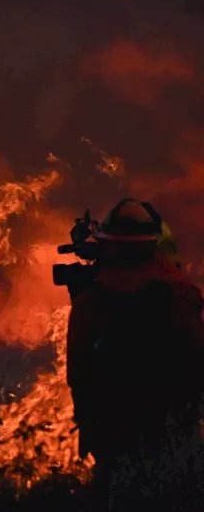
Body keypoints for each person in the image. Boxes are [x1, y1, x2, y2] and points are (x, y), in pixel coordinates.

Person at [65, 198, 204, 507]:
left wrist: (89, 431)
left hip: (115, 440)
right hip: (174, 437)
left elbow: (78, 374)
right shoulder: (180, 294)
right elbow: (197, 363)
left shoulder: (93, 301)